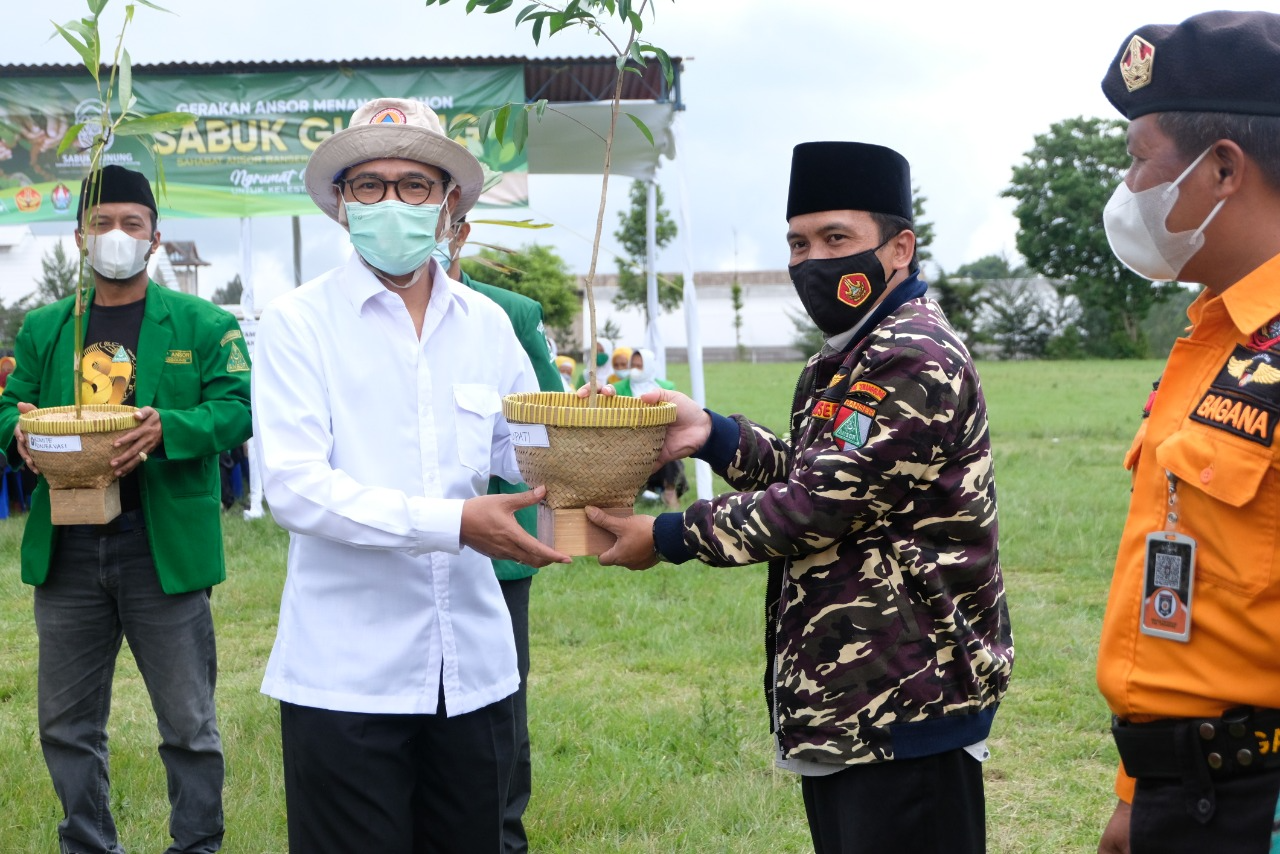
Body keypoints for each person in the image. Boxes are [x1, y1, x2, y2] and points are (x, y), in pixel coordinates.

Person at [586, 141, 1013, 854]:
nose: (813, 260)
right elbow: (824, 474)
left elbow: (820, 502)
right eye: (798, 242)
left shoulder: (911, 354)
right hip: (859, 696)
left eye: (836, 238)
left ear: (899, 247)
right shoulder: (847, 352)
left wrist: (666, 537)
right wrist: (711, 434)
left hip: (906, 697)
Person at [252, 97, 570, 854]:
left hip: (473, 669)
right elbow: (294, 486)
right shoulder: (298, 324)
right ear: (339, 205)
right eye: (370, 186)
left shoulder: (486, 325)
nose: (391, 202)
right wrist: (455, 523)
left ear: (447, 203)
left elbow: (521, 447)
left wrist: (579, 431)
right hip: (347, 676)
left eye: (414, 185)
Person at [0, 164, 252, 854]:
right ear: (81, 237)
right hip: (70, 547)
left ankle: (196, 845)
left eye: (131, 224)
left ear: (156, 238)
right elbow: (9, 402)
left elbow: (239, 409)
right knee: (65, 723)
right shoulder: (47, 326)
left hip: (160, 545)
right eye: (103, 223)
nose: (117, 235)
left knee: (189, 723)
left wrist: (169, 427)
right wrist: (15, 430)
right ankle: (87, 844)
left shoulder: (202, 323)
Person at [1092, 12, 1280, 854]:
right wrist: (1140, 794)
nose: (1125, 188)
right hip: (1184, 793)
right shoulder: (1215, 332)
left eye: (1138, 159)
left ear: (1223, 169)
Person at [435, 214, 563, 854]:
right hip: (405, 541)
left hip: (500, 543)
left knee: (498, 703)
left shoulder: (508, 311)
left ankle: (503, 833)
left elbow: (545, 410)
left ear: (460, 227)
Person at [611, 347, 684, 508]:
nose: (635, 369)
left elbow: (671, 417)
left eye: (640, 365)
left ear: (649, 366)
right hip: (627, 441)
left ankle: (669, 492)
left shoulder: (666, 388)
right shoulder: (619, 387)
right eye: (634, 365)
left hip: (657, 440)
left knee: (669, 452)